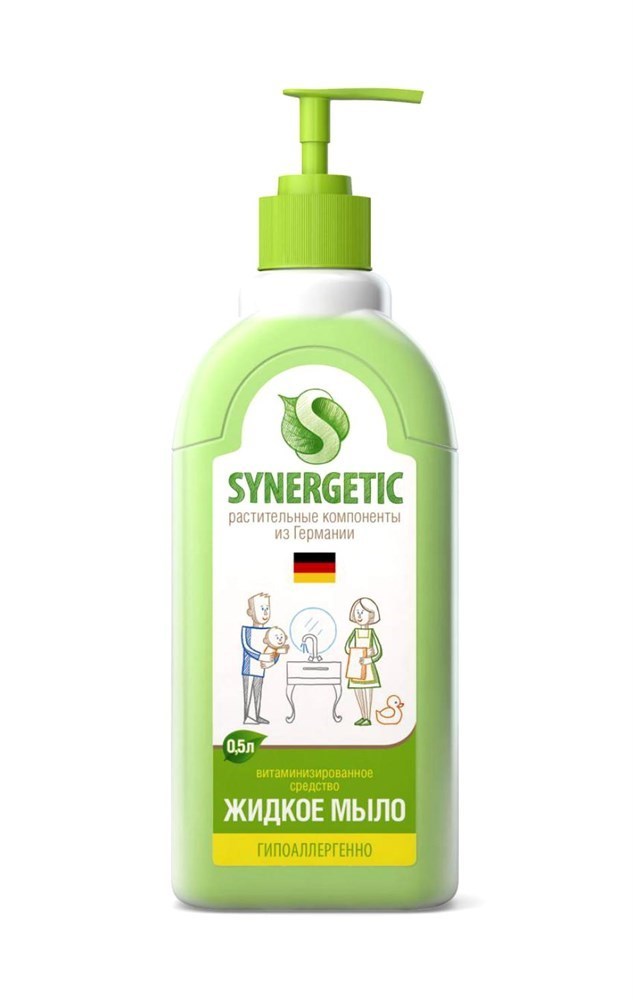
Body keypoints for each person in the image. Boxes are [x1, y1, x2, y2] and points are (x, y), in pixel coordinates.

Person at [344, 597, 383, 726]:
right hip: (355, 666)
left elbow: (379, 652)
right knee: (358, 691)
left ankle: (368, 717)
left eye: (362, 612)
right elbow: (347, 647)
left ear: (371, 615)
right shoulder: (355, 632)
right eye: (357, 612)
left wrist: (369, 658)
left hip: (368, 667)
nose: (359, 616)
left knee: (367, 691)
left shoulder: (372, 633)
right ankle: (362, 715)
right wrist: (353, 652)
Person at [241, 592, 273, 724]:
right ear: (250, 612)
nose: (265, 612)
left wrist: (271, 662)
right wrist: (261, 656)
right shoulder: (246, 630)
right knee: (248, 692)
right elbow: (247, 647)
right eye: (261, 608)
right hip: (248, 668)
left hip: (260, 668)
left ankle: (256, 715)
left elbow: (274, 649)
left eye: (267, 608)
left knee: (258, 692)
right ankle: (248, 717)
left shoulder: (269, 632)